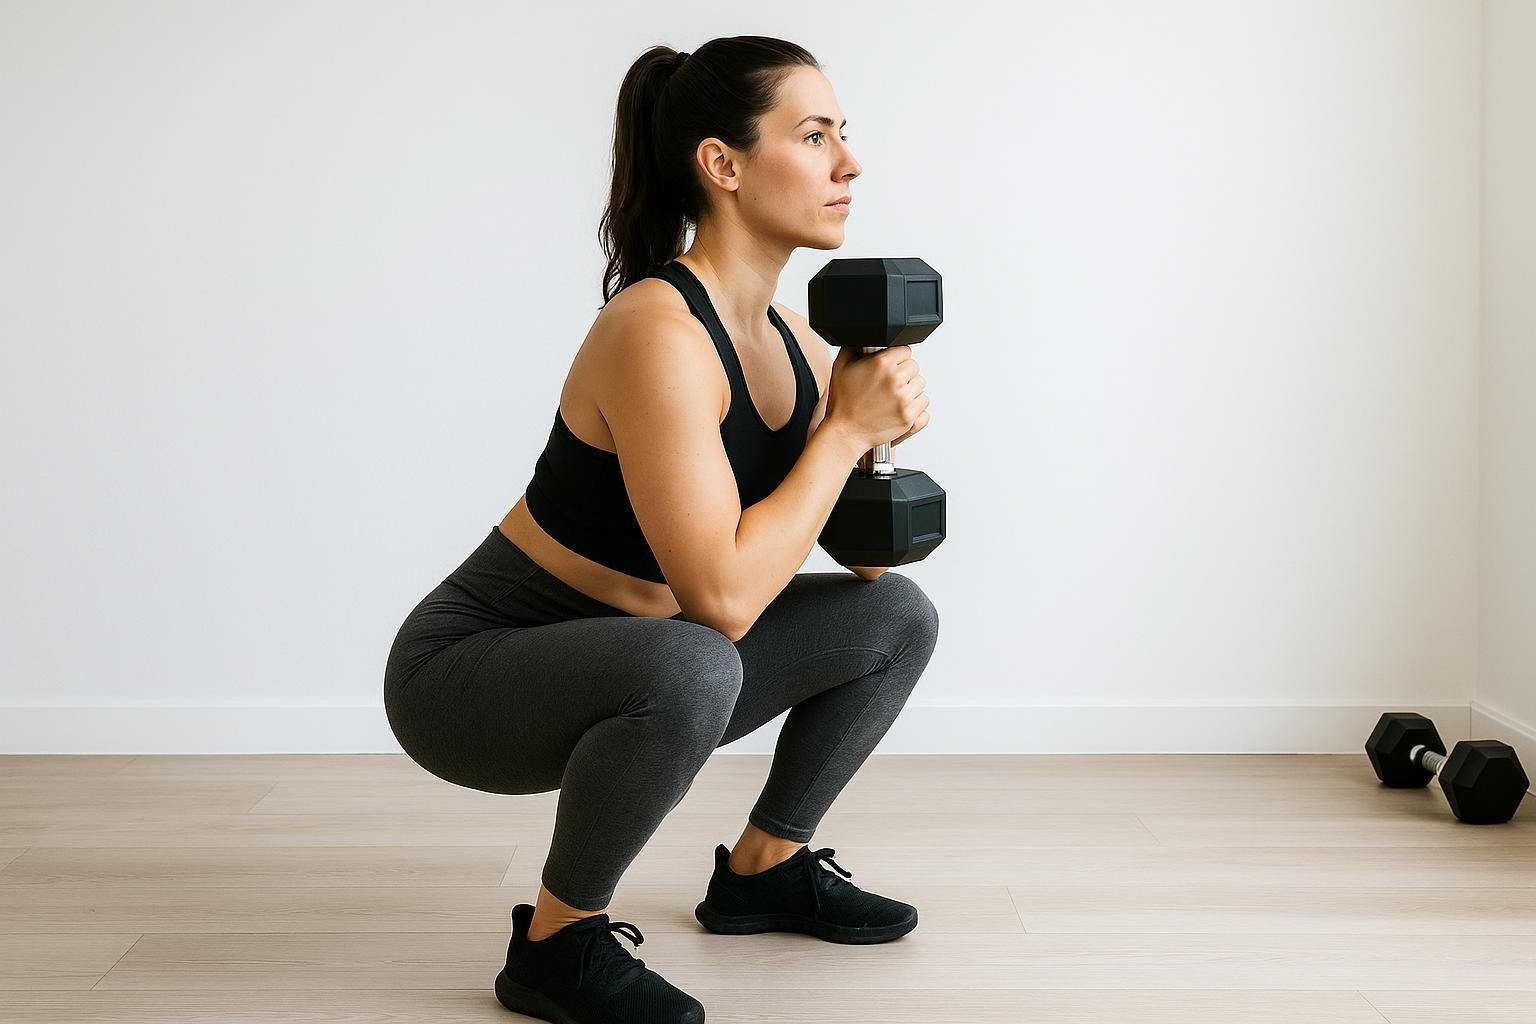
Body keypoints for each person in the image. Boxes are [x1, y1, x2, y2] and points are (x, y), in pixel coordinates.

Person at [383, 35, 939, 1024]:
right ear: (722, 165)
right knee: (695, 660)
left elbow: (861, 559)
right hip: (472, 674)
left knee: (895, 614)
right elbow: (721, 600)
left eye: (844, 136)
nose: (848, 164)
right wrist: (843, 430)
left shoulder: (801, 348)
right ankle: (556, 945)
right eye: (813, 137)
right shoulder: (657, 331)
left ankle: (764, 871)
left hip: (648, 664)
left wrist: (871, 426)